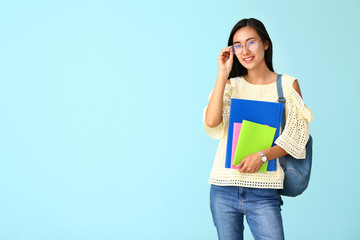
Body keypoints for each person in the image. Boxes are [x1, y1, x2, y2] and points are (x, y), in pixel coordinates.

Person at [202, 18, 313, 240]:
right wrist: (222, 75)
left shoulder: (287, 86)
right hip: (223, 188)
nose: (245, 51)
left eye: (251, 42)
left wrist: (262, 156)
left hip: (263, 191)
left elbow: (295, 137)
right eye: (238, 45)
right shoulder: (231, 85)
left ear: (265, 44)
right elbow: (213, 121)